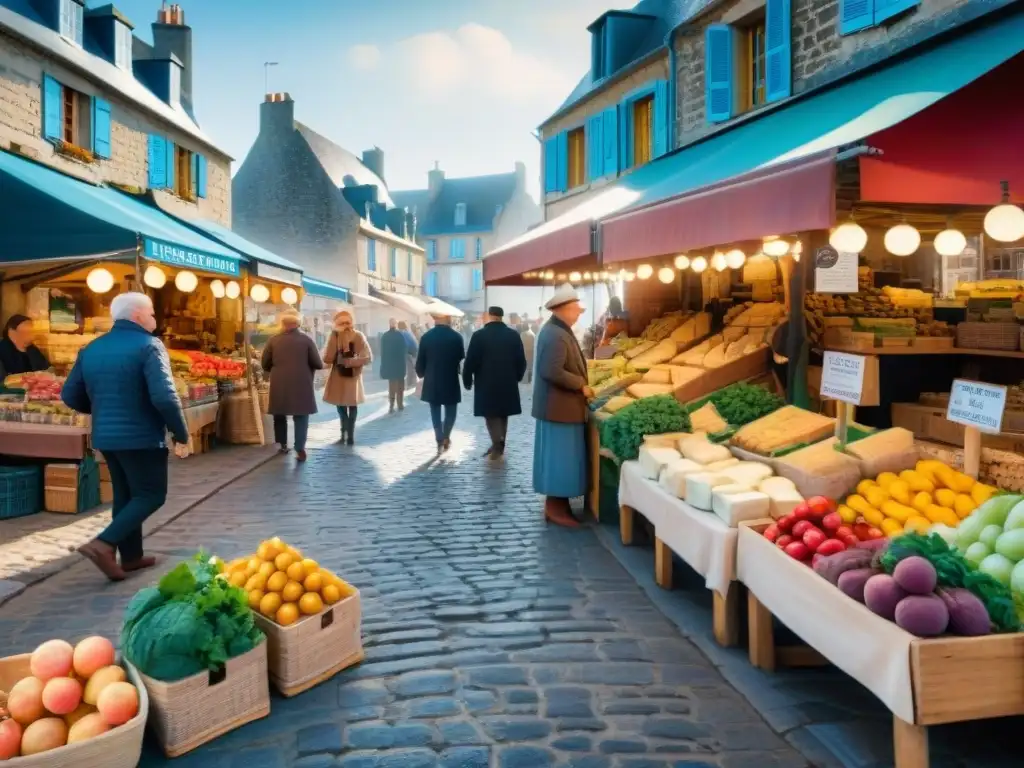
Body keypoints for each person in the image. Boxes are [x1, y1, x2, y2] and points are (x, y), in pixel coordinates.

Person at [61, 292, 189, 581]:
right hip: (141, 436)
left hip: (106, 436)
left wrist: (102, 409)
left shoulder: (92, 348)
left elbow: (69, 395)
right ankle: (104, 543)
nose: (155, 319)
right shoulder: (150, 346)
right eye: (152, 313)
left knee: (126, 495)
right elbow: (165, 398)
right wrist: (180, 433)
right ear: (138, 316)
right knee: (151, 494)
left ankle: (131, 557)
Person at [532, 284, 593, 528]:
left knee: (561, 459)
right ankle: (556, 506)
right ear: (564, 309)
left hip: (560, 408)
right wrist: (580, 384)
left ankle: (559, 504)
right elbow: (551, 370)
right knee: (560, 459)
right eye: (576, 309)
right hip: (559, 409)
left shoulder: (557, 330)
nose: (579, 313)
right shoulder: (555, 334)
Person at [463, 307, 526, 459]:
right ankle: (499, 442)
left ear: (490, 316)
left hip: (486, 381)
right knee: (503, 413)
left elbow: (470, 360)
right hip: (507, 381)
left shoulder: (479, 336)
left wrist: (467, 379)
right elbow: (521, 361)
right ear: (501, 317)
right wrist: (517, 376)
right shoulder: (513, 335)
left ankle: (497, 444)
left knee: (490, 414)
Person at [261, 309, 323, 461]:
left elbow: (264, 364)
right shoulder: (307, 340)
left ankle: (282, 444)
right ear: (298, 324)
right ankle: (300, 448)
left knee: (279, 415)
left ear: (282, 325)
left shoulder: (273, 340)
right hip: (302, 384)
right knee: (301, 416)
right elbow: (318, 363)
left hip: (279, 383)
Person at [415, 310, 464, 453]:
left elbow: (420, 362)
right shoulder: (456, 337)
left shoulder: (426, 337)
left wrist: (421, 373)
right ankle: (447, 435)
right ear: (448, 317)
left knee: (435, 411)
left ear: (435, 319)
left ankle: (439, 438)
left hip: (432, 379)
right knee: (451, 411)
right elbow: (461, 357)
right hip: (450, 378)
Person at [323, 310, 372, 444]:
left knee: (341, 405)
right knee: (352, 405)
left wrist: (342, 359)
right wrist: (353, 362)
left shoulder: (336, 336)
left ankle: (344, 433)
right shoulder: (359, 335)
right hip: (354, 376)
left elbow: (328, 358)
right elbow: (368, 357)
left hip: (338, 376)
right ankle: (350, 435)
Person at [0, 314, 49, 381]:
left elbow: (45, 369)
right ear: (11, 331)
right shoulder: (3, 348)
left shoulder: (33, 350)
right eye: (26, 329)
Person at [379, 318, 408, 413]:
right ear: (395, 324)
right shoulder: (400, 335)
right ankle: (400, 404)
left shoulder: (385, 336)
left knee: (391, 386)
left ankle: (391, 405)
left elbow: (382, 352)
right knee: (400, 386)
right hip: (399, 364)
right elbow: (404, 350)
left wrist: (383, 366)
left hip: (390, 366)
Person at [398, 320, 418, 388]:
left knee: (409, 368)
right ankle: (413, 383)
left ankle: (410, 384)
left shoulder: (401, 333)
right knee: (413, 368)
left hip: (408, 352)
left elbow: (405, 344)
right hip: (413, 352)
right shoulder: (407, 332)